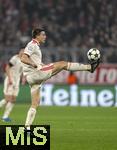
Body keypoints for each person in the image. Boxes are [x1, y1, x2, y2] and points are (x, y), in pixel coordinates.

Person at [20, 27, 100, 131]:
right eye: (43, 35)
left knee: (35, 104)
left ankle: (27, 127)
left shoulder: (36, 46)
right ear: (37, 35)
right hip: (36, 74)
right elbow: (23, 58)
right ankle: (89, 67)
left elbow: (34, 61)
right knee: (62, 64)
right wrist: (34, 64)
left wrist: (39, 64)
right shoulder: (32, 44)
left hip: (32, 78)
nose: (45, 36)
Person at [0, 49, 25, 122]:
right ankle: (5, 117)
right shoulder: (15, 58)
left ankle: (5, 117)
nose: (23, 53)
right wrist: (10, 79)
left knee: (13, 100)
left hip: (16, 82)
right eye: (22, 52)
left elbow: (23, 71)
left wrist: (23, 78)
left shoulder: (24, 61)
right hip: (10, 80)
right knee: (7, 99)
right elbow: (7, 67)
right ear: (20, 52)